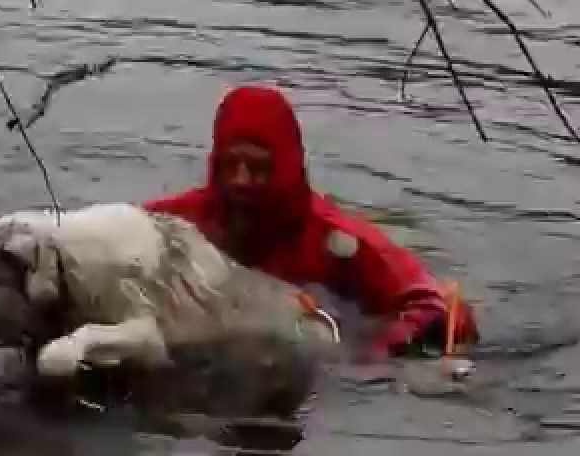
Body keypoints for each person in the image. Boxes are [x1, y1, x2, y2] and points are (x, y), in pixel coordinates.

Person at [142, 83, 479, 362]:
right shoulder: (176, 221)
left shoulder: (336, 241)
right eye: (230, 165)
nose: (241, 180)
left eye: (258, 168)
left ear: (286, 168)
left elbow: (428, 303)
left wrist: (372, 357)